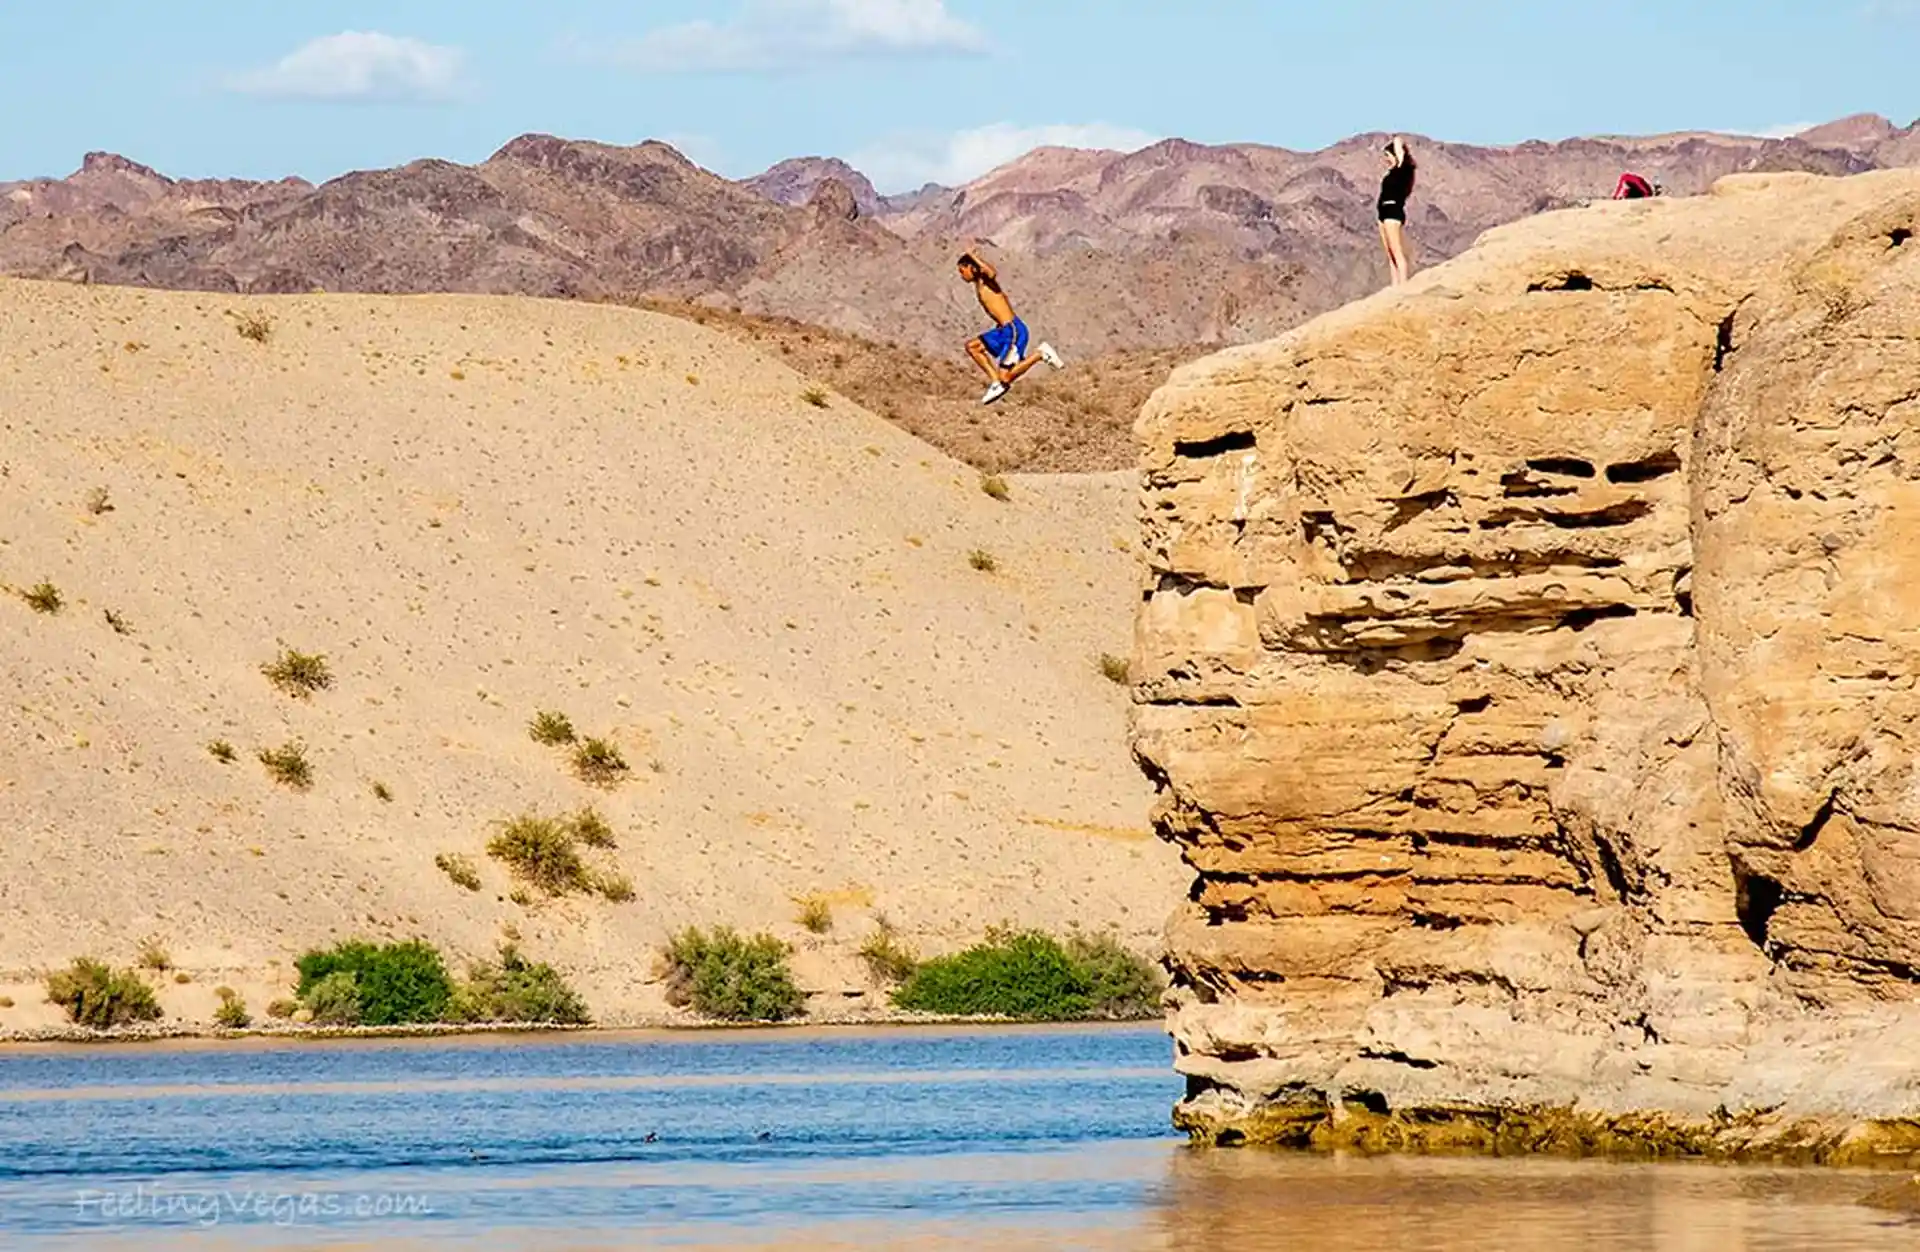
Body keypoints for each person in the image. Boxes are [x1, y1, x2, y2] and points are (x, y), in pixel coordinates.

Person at [957, 247, 1064, 405]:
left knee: (1006, 377)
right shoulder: (979, 285)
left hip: (1013, 330)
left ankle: (1040, 354)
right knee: (972, 347)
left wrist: (973, 257)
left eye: (962, 270)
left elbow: (992, 273)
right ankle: (995, 383)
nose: (961, 275)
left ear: (971, 268)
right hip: (1002, 331)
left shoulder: (986, 280)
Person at [1377, 135, 1417, 287]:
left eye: (1388, 155)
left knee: (1397, 251)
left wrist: (1395, 140)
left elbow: (1398, 142)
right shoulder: (1391, 172)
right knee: (1390, 254)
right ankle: (1394, 286)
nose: (1386, 159)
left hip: (1393, 211)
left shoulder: (1402, 170)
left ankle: (1403, 285)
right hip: (1382, 212)